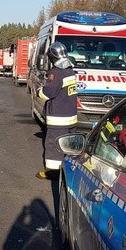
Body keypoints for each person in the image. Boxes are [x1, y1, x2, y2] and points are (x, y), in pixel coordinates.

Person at [36, 42, 78, 179]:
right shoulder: (70, 70)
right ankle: (67, 171)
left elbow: (48, 93)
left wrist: (39, 91)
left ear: (52, 57)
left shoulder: (56, 73)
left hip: (58, 117)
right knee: (67, 146)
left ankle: (53, 172)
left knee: (54, 145)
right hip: (71, 117)